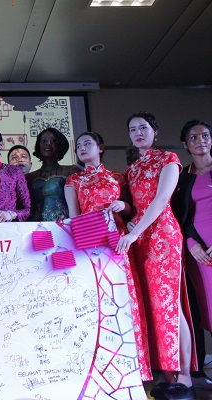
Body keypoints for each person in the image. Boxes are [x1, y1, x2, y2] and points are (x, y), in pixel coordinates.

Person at [116, 112, 195, 400]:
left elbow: (161, 201)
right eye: (132, 129)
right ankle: (166, 375)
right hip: (140, 237)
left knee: (171, 304)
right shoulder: (133, 168)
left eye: (143, 127)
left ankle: (185, 377)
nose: (138, 133)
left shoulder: (168, 159)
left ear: (155, 131)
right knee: (152, 307)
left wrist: (135, 231)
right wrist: (130, 219)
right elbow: (135, 206)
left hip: (163, 235)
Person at [64, 131, 151, 381]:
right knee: (98, 300)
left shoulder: (118, 177)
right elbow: (74, 215)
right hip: (91, 241)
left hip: (118, 240)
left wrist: (123, 206)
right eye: (79, 146)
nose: (82, 148)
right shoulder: (73, 179)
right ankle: (99, 369)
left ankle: (134, 370)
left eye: (88, 144)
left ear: (100, 148)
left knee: (125, 297)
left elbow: (132, 209)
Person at [172, 120, 212, 391]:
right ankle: (197, 374)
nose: (200, 141)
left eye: (205, 135)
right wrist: (190, 243)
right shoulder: (183, 176)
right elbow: (179, 216)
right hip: (197, 254)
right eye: (194, 137)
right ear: (185, 144)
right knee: (199, 310)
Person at [25, 127, 80, 221]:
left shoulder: (72, 172)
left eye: (53, 141)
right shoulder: (29, 177)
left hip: (65, 226)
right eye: (44, 141)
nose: (48, 143)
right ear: (38, 145)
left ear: (60, 146)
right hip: (36, 227)